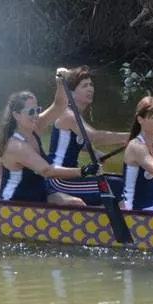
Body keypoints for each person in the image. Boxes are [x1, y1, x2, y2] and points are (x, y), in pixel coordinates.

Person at [0, 72, 99, 204]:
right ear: (16, 115)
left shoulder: (35, 127)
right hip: (17, 201)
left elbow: (59, 106)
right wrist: (83, 171)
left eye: (37, 110)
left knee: (76, 203)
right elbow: (47, 170)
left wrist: (60, 83)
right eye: (31, 112)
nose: (36, 115)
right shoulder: (15, 146)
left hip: (39, 191)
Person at [44, 66, 126, 205]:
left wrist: (95, 152)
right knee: (118, 188)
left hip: (71, 176)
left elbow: (76, 144)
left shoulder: (76, 115)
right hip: (59, 180)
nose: (90, 89)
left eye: (91, 85)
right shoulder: (67, 115)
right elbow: (94, 137)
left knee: (121, 182)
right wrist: (130, 136)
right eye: (84, 86)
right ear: (72, 92)